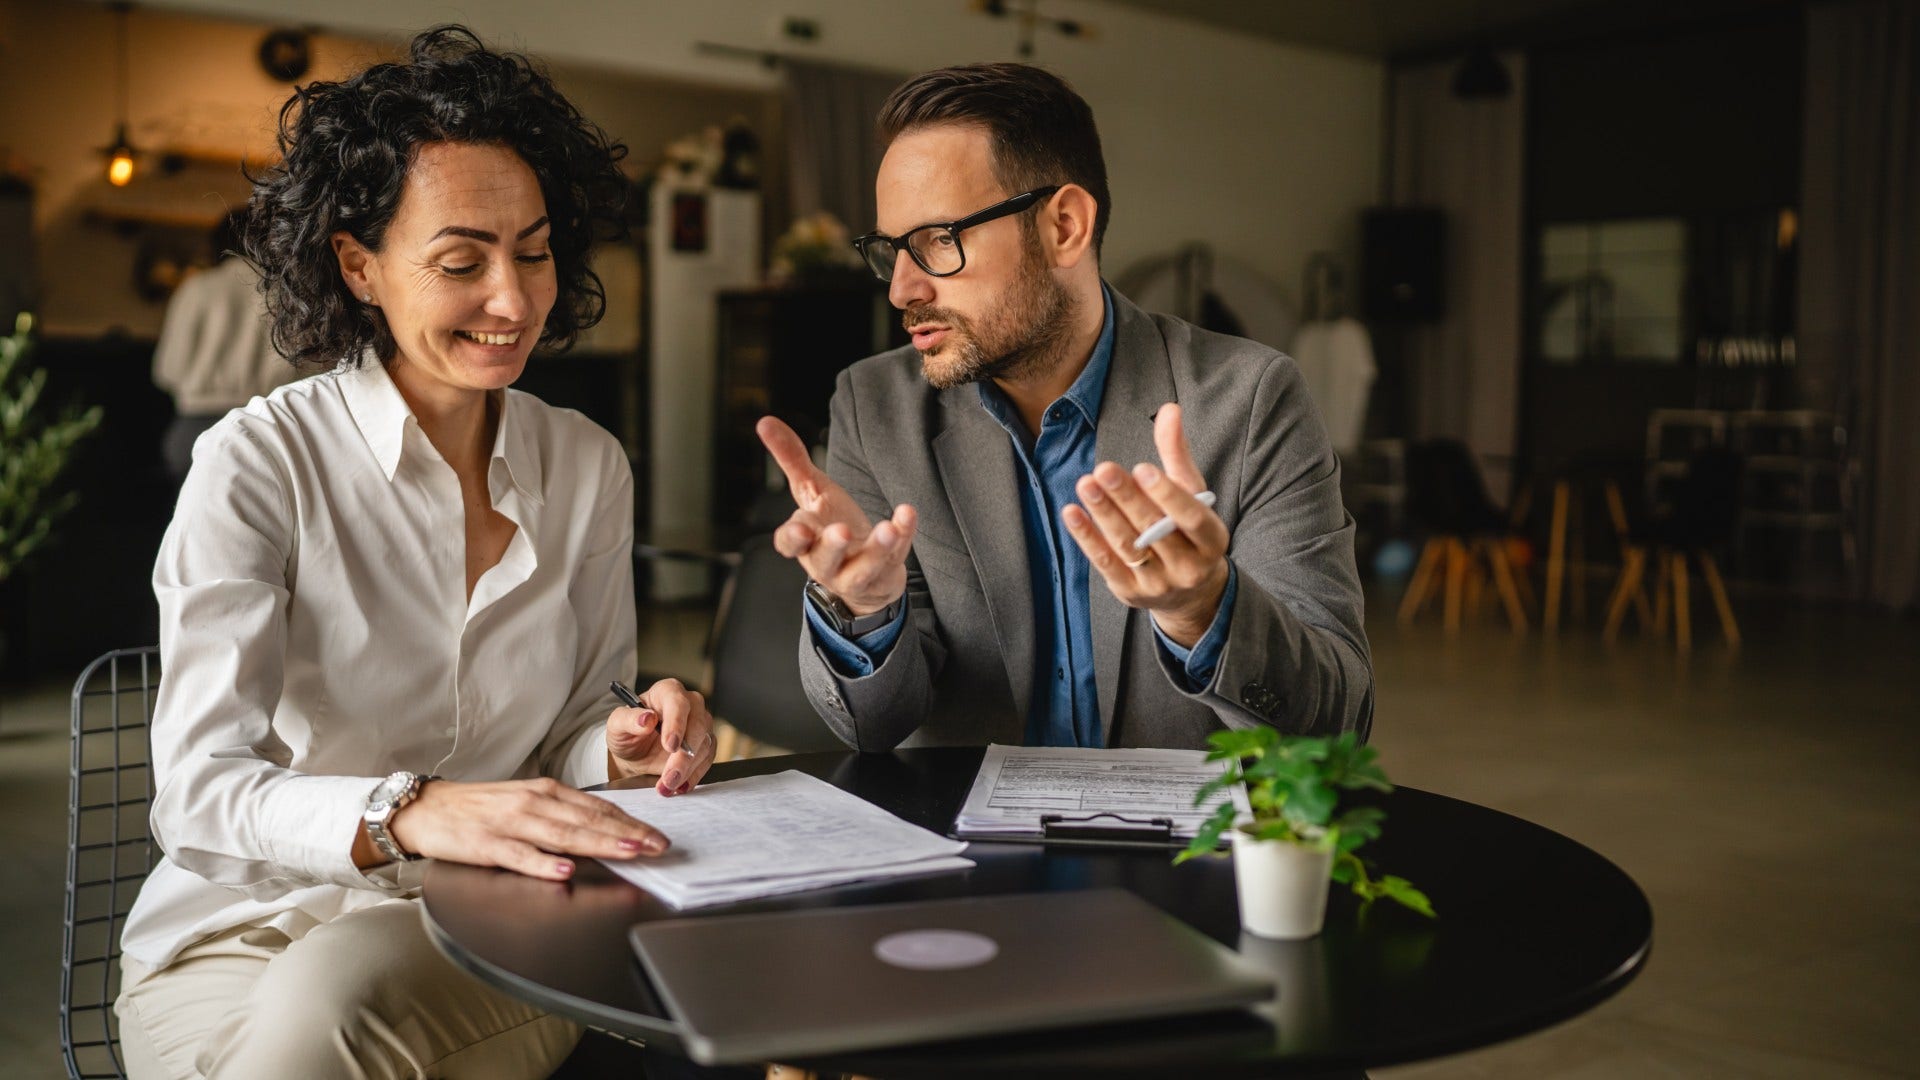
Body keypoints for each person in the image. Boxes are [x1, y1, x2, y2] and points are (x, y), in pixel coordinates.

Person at [115, 27, 716, 1080]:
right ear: (359, 266)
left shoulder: (586, 466)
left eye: (534, 252)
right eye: (461, 262)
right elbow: (198, 793)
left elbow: (572, 738)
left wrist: (619, 747)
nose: (514, 300)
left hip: (488, 920)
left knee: (331, 1007)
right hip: (233, 934)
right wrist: (410, 810)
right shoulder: (258, 464)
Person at [757, 63, 1372, 752]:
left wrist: (1204, 611)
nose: (902, 289)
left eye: (938, 240)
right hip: (962, 824)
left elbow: (1338, 725)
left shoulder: (1251, 400)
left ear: (1065, 227)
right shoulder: (874, 409)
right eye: (892, 249)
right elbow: (873, 728)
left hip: (1185, 827)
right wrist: (866, 612)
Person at [150, 210, 306, 483]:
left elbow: (167, 370)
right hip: (264, 431)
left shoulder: (197, 289)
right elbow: (302, 370)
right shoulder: (284, 293)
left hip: (193, 431)